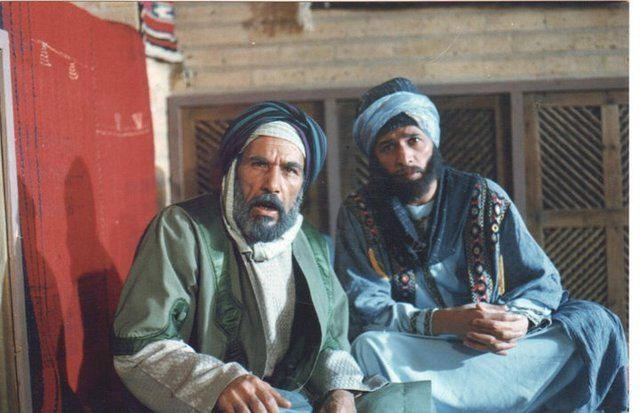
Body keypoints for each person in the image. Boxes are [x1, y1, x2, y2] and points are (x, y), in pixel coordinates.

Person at [335, 78, 628, 413]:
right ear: (374, 157)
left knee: (594, 326)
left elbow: (541, 282)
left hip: (492, 350)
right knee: (370, 347)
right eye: (388, 147)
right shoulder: (359, 212)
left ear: (432, 140)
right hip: (420, 351)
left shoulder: (483, 195)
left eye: (413, 140)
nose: (405, 157)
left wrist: (516, 322)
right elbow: (365, 306)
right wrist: (444, 321)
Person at [111, 101, 383, 413]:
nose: (272, 185)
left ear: (302, 186)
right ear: (233, 172)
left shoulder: (312, 245)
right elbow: (140, 346)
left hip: (293, 401)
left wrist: (339, 390)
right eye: (259, 164)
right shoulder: (182, 229)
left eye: (290, 170)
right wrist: (218, 383)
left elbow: (330, 342)